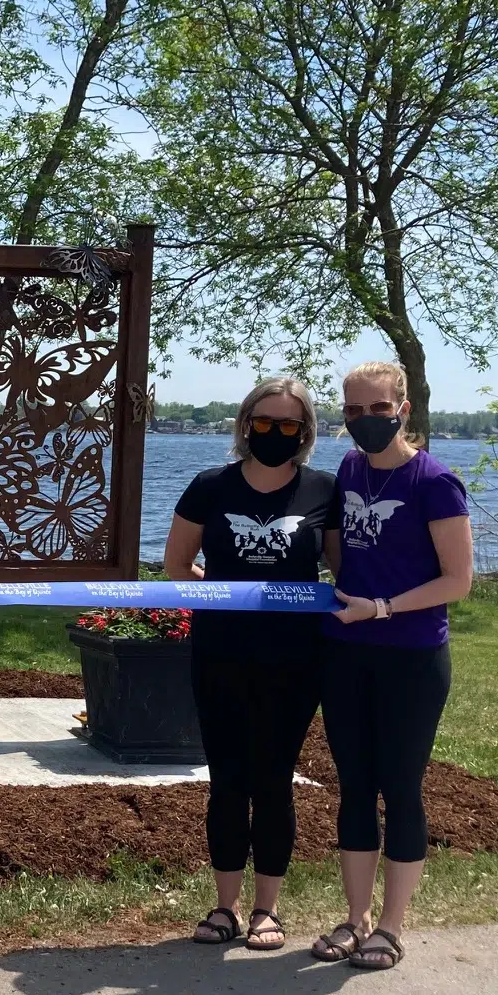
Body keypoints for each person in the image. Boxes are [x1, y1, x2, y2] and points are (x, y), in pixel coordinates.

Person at [164, 377, 341, 952]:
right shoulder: (209, 486)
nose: (274, 432)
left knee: (274, 783)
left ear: (306, 432)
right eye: (263, 422)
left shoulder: (324, 490)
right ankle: (225, 907)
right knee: (227, 782)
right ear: (245, 425)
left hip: (295, 662)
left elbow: (340, 574)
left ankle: (267, 910)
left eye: (288, 424)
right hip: (220, 655)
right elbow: (177, 565)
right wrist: (223, 594)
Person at [311, 360, 473, 971]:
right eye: (353, 410)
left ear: (402, 410)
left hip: (411, 657)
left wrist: (382, 608)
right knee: (353, 787)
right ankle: (353, 919)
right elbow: (337, 550)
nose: (365, 421)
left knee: (400, 789)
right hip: (345, 653)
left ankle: (391, 926)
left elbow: (458, 581)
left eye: (378, 409)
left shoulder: (434, 481)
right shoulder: (350, 469)